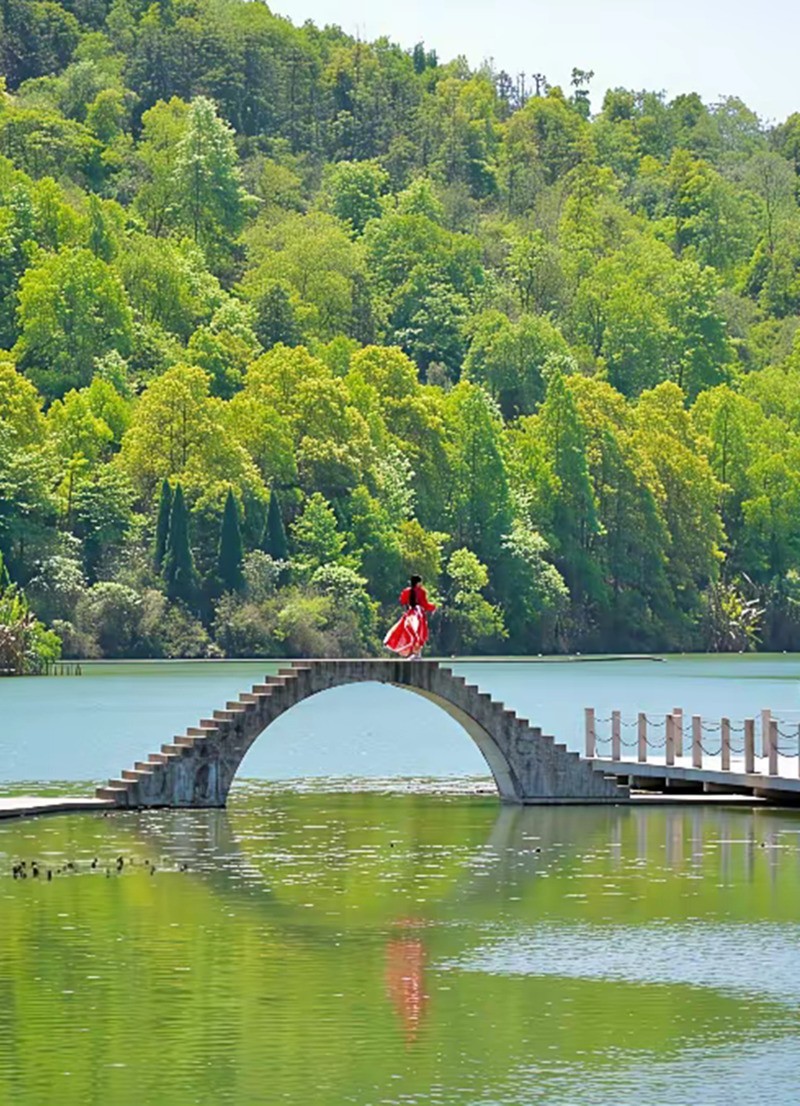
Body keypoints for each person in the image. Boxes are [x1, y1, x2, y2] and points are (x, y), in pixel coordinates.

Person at [383, 575, 436, 659]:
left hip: (410, 614)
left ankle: (413, 653)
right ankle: (417, 654)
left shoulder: (406, 591)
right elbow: (424, 604)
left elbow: (403, 601)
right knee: (420, 633)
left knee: (409, 632)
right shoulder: (421, 592)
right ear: (418, 583)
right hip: (419, 615)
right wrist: (433, 607)